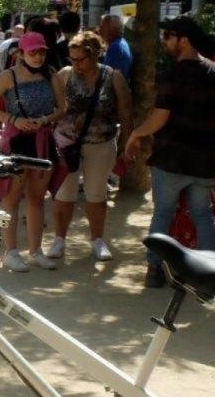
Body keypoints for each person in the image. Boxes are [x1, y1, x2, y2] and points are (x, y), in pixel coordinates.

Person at [124, 16, 215, 288]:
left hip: (171, 159)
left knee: (163, 213)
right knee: (202, 214)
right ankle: (210, 272)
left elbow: (160, 118)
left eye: (169, 35)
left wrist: (136, 133)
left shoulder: (172, 75)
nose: (165, 41)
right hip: (203, 160)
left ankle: (154, 268)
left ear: (184, 40)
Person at [0, 32, 67, 271]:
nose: (38, 56)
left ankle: (36, 251)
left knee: (37, 198)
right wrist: (12, 119)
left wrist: (46, 119)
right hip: (16, 143)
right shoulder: (8, 77)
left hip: (42, 140)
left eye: (41, 52)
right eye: (33, 52)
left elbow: (63, 108)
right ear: (21, 54)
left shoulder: (51, 74)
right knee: (11, 198)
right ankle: (10, 251)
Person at [49, 31, 132, 262]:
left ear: (95, 54)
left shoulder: (113, 77)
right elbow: (52, 108)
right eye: (72, 59)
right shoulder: (65, 75)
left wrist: (127, 144)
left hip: (101, 144)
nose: (75, 64)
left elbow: (126, 113)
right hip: (66, 144)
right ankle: (59, 240)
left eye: (80, 59)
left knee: (97, 194)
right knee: (64, 194)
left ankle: (97, 240)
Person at [99, 14, 132, 82]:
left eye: (102, 27)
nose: (100, 30)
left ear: (112, 30)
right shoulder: (121, 42)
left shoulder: (115, 48)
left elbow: (107, 77)